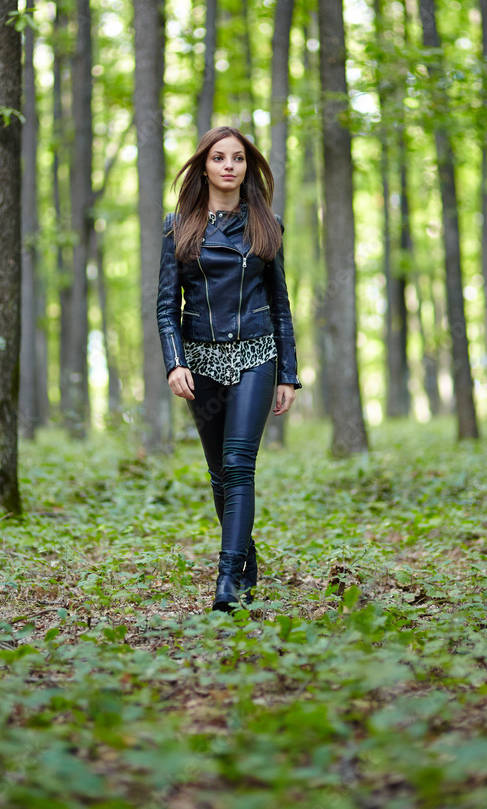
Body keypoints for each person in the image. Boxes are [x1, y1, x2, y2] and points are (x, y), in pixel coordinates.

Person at [156, 125, 302, 613]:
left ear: (247, 167)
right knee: (221, 475)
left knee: (240, 465)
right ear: (204, 166)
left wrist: (288, 373)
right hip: (200, 362)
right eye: (219, 158)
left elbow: (280, 305)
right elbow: (165, 307)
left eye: (237, 158)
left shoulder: (267, 225)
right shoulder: (177, 228)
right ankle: (247, 560)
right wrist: (175, 362)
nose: (228, 166)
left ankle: (226, 583)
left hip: (257, 356)